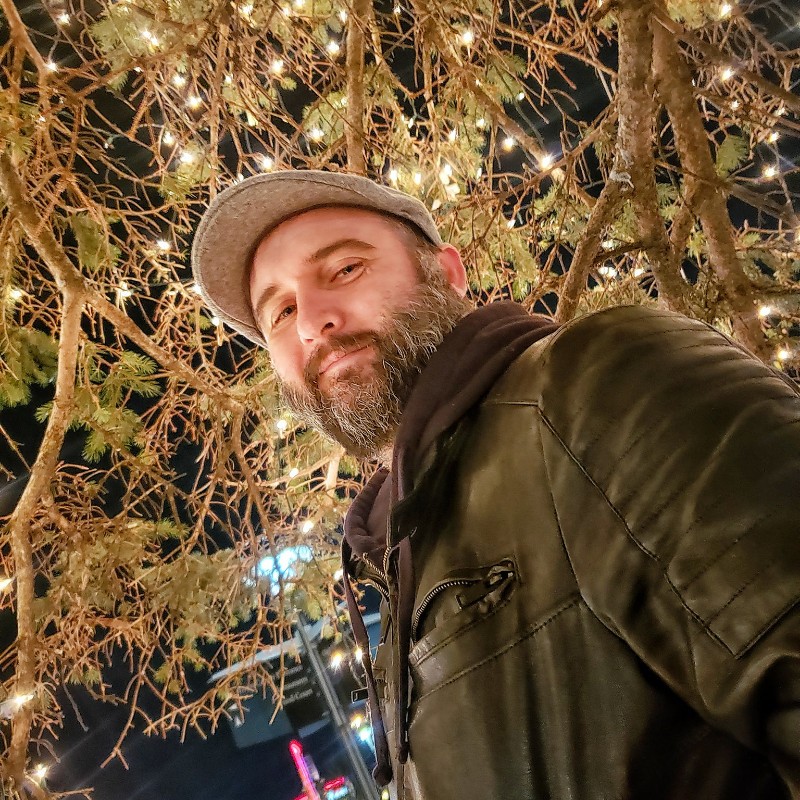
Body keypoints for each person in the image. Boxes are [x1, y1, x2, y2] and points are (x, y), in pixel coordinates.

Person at [191, 170, 800, 800]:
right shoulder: (406, 553)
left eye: (345, 269)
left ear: (447, 272)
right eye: (282, 311)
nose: (312, 322)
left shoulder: (595, 383)